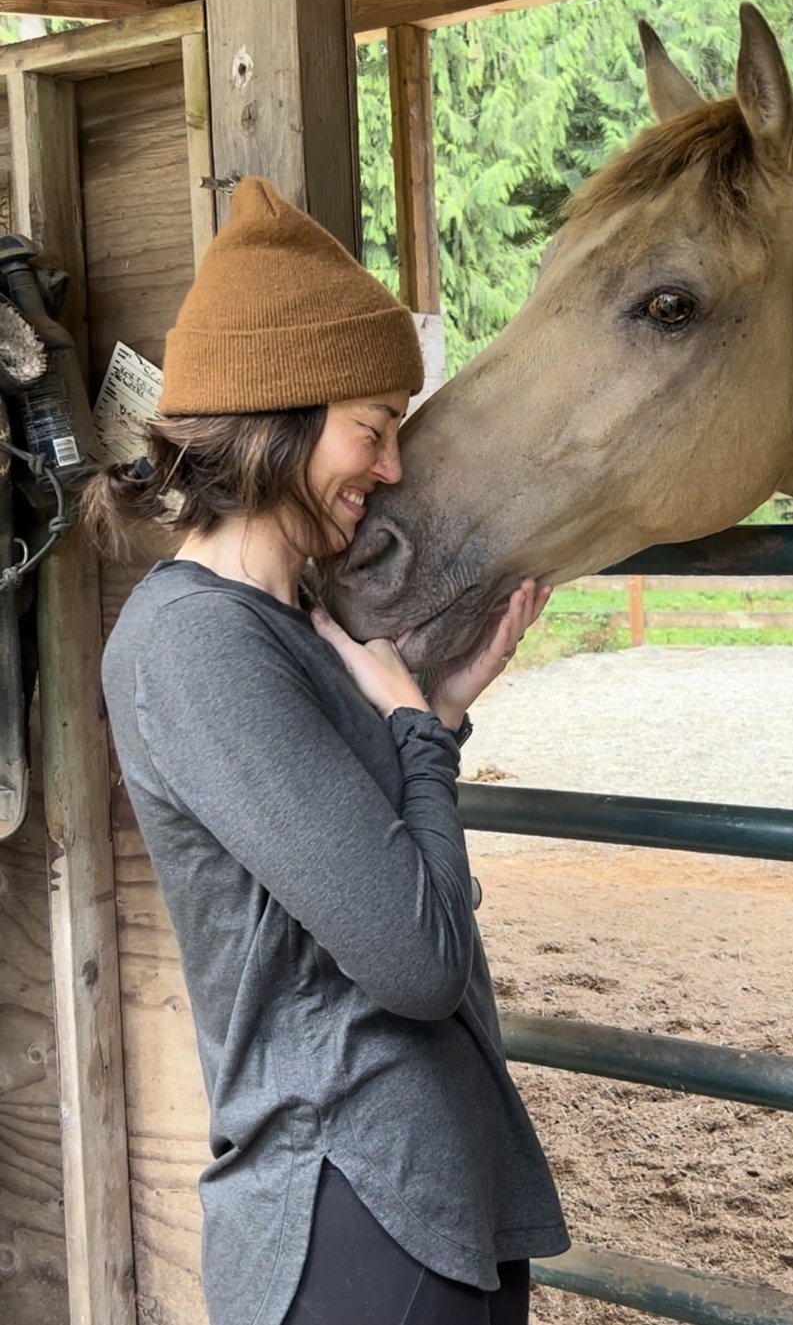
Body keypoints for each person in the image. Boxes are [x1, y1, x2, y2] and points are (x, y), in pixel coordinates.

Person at [86, 178, 569, 1325]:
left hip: (410, 1191)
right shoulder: (195, 648)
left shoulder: (287, 626)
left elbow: (363, 867)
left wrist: (437, 713)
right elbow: (413, 960)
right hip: (352, 1200)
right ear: (286, 414)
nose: (392, 467)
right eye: (376, 426)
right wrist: (415, 730)